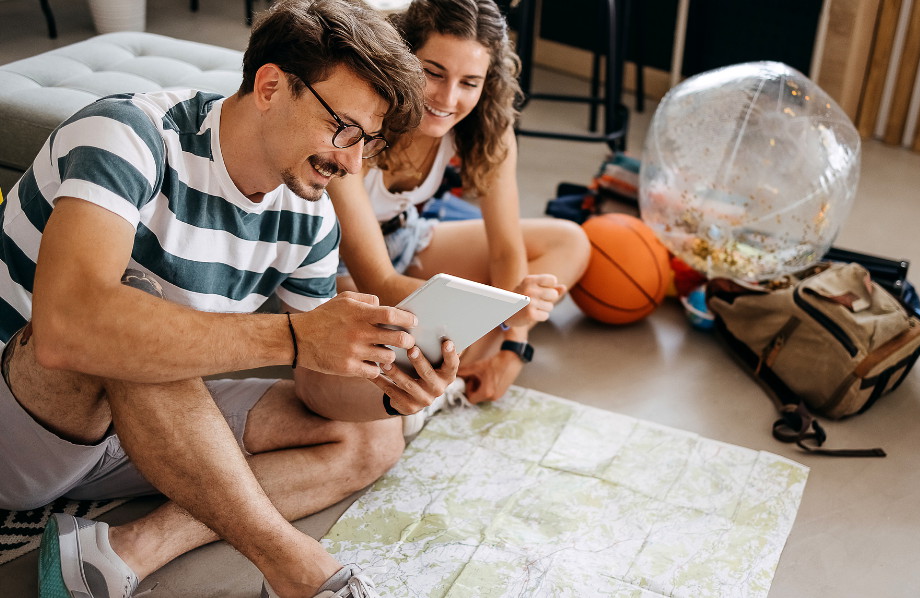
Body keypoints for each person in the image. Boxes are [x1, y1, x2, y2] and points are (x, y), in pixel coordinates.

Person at [0, 1, 453, 597]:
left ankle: (122, 550)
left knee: (370, 435)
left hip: (145, 432)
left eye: (366, 142)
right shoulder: (127, 135)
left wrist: (387, 386)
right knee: (134, 312)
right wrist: (295, 337)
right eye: (343, 128)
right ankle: (295, 568)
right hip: (25, 429)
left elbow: (318, 388)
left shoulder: (309, 215)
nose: (350, 163)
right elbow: (66, 329)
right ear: (270, 86)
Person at [326, 0, 591, 407]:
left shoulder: (486, 127)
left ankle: (465, 363)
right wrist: (504, 314)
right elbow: (378, 282)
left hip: (406, 235)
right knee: (379, 338)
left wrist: (513, 347)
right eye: (433, 73)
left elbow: (506, 251)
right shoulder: (360, 119)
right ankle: (455, 366)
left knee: (570, 242)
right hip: (340, 265)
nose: (448, 98)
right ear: (402, 55)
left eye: (469, 82)